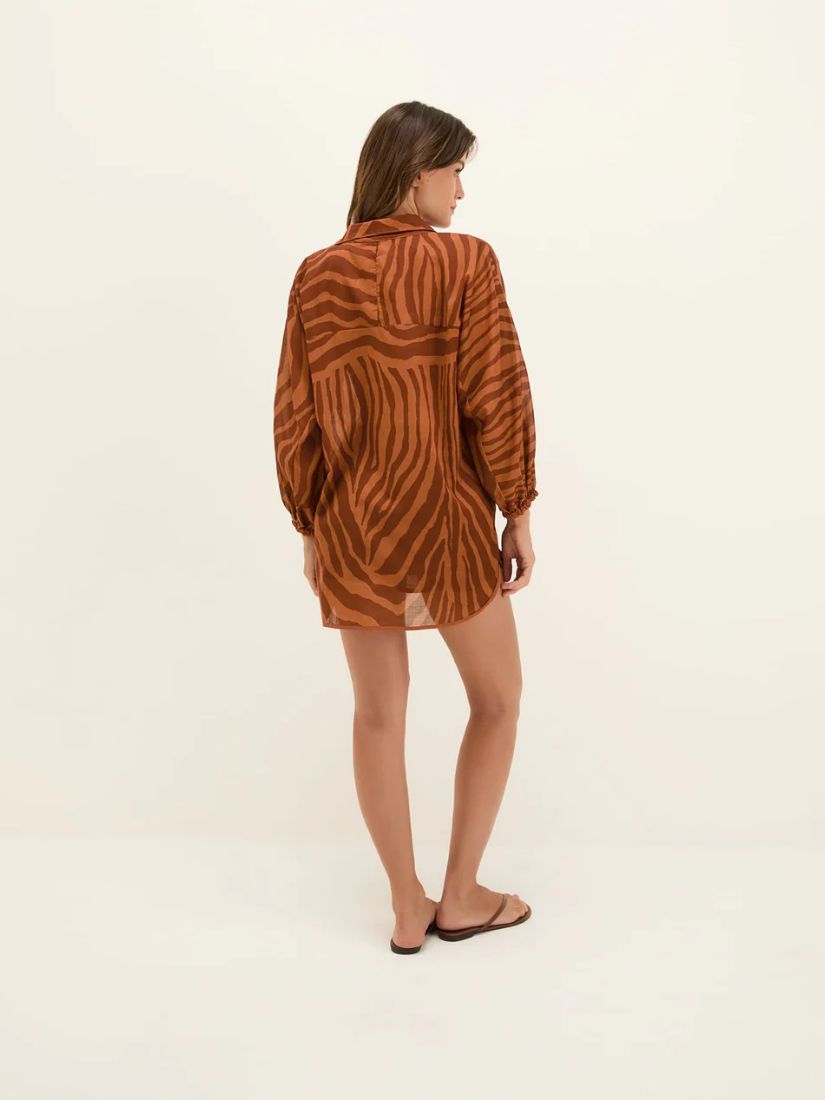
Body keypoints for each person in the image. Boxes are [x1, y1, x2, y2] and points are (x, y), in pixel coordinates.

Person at [273, 101, 538, 954]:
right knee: (497, 700)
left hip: (352, 525)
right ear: (417, 173)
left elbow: (296, 414)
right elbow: (495, 392)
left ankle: (404, 906)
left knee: (377, 715)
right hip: (445, 519)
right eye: (455, 171)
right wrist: (517, 508)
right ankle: (461, 894)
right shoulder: (465, 262)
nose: (461, 191)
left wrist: (309, 524)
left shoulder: (316, 274)